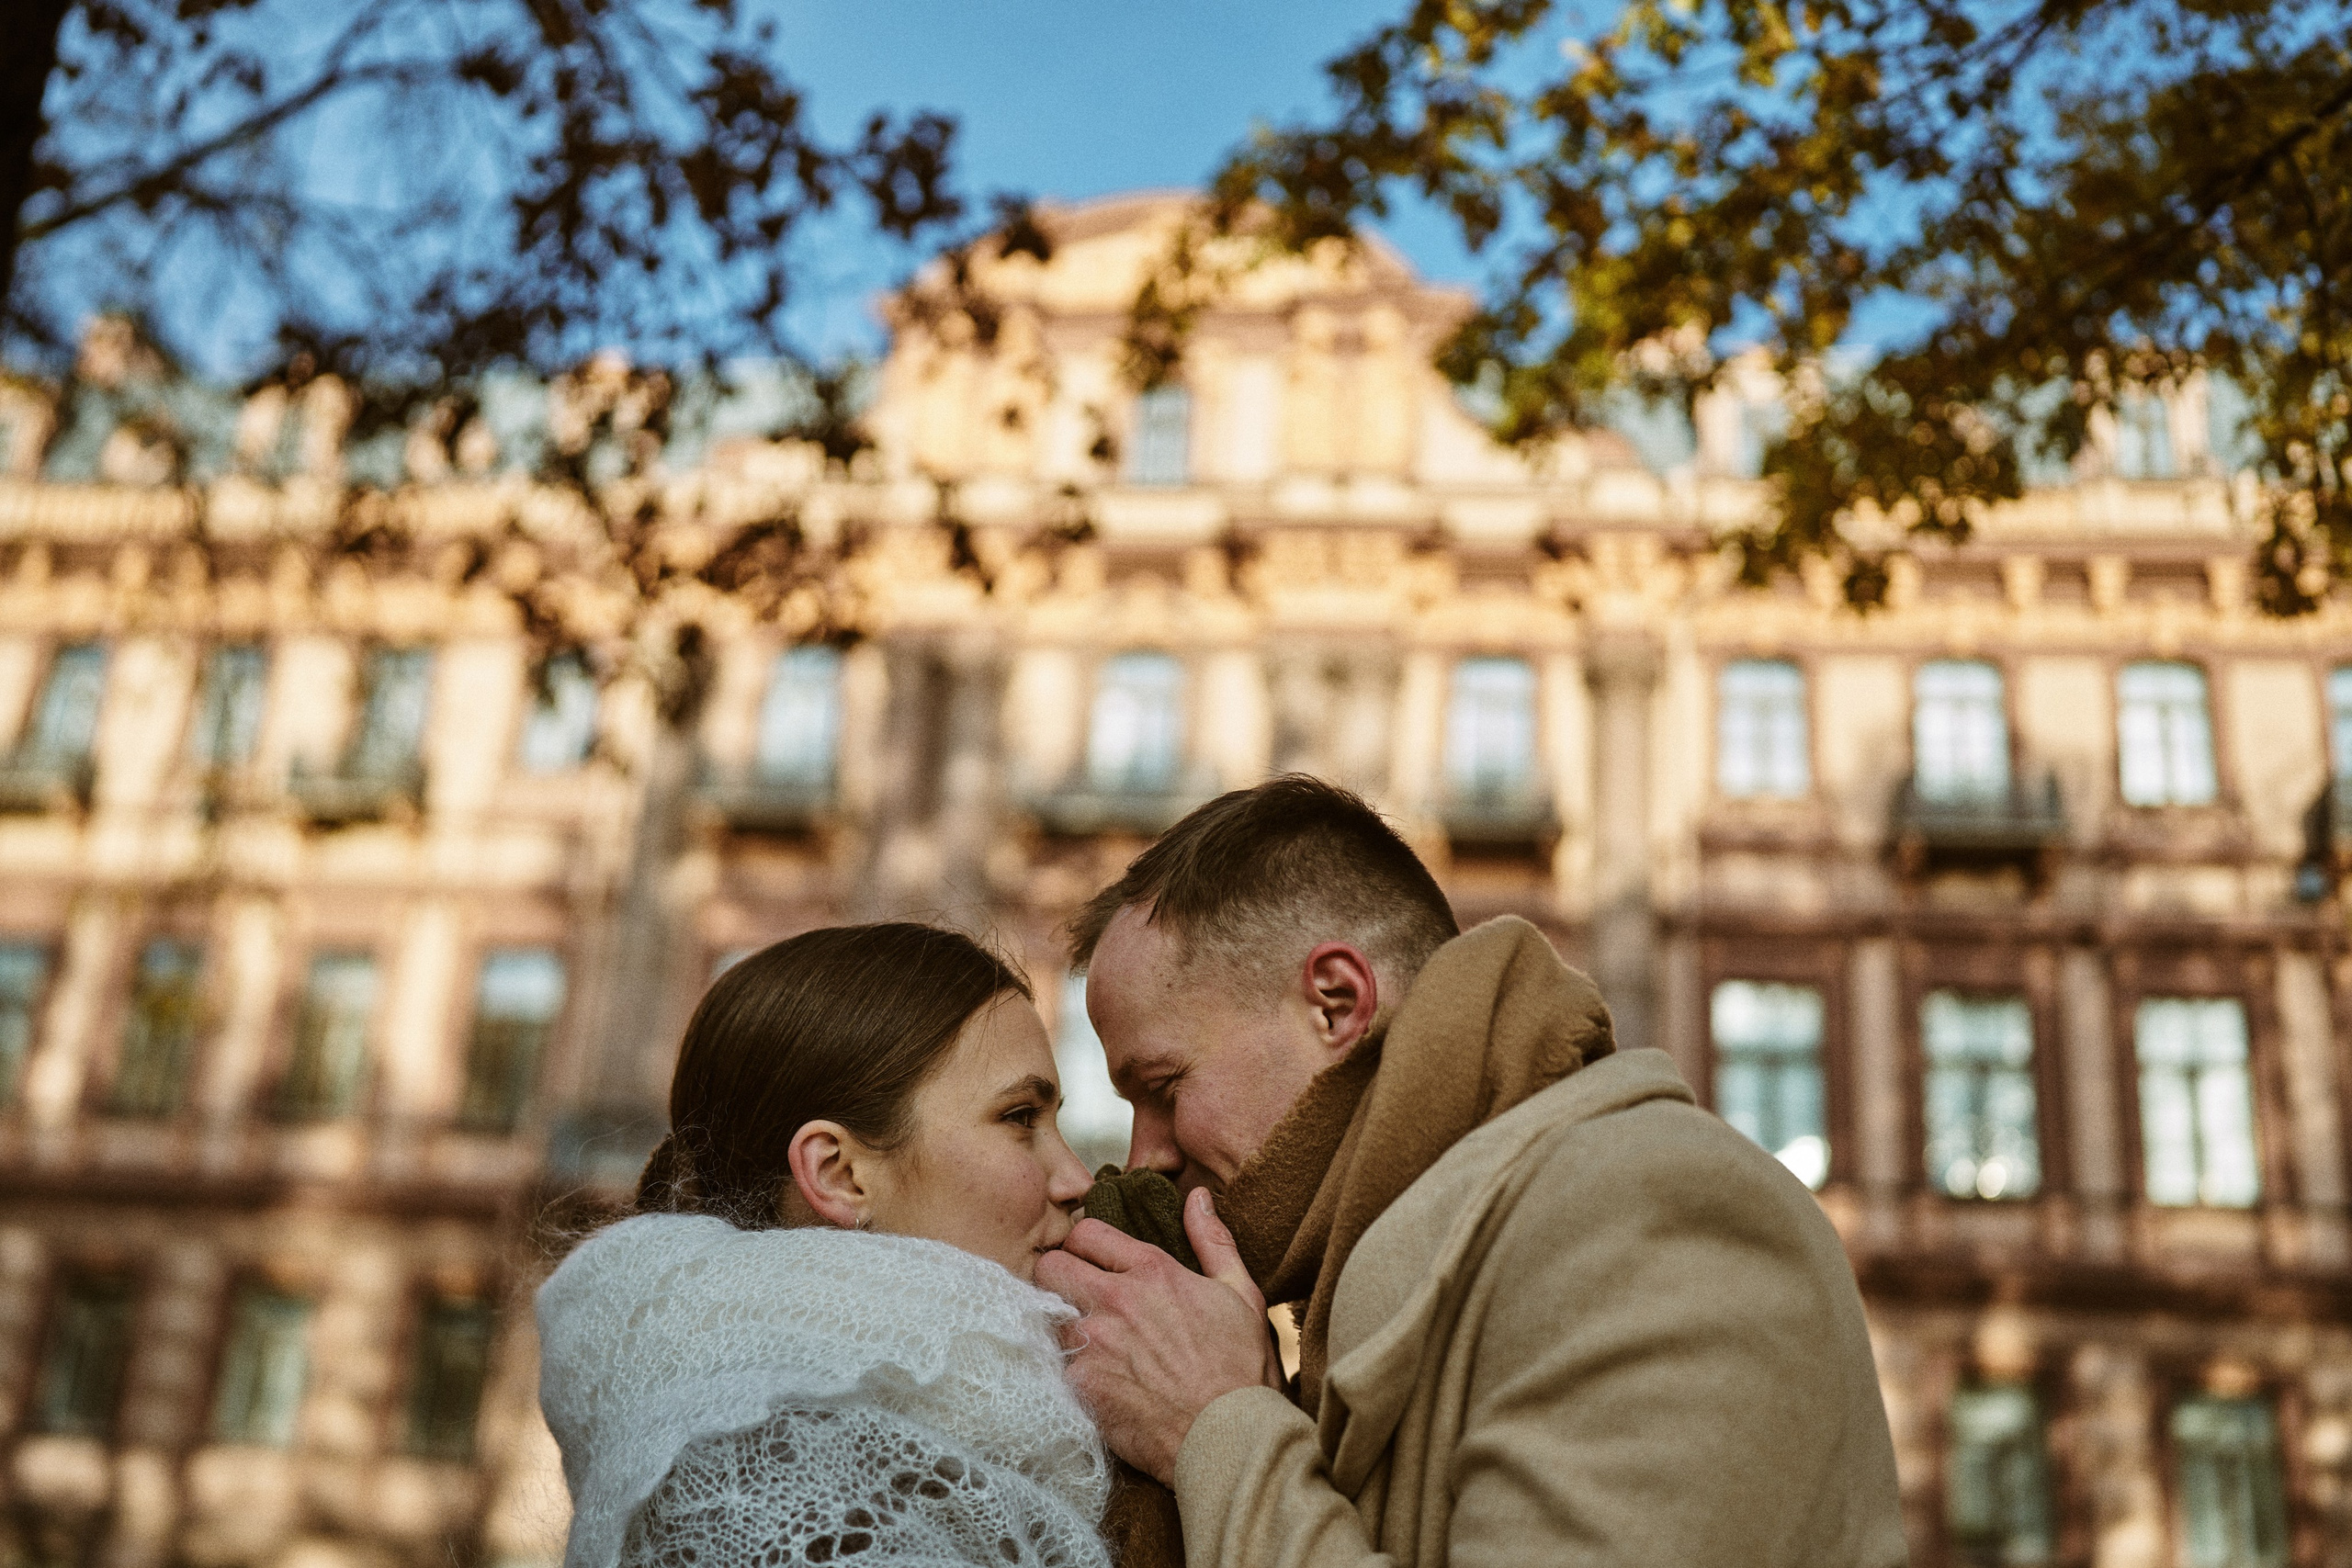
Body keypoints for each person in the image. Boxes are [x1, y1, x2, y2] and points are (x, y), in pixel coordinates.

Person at [1035, 775, 1909, 1567]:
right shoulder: (1405, 1267)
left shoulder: (1650, 1205)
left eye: (1163, 1085)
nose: (1144, 1152)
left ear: (1336, 1002)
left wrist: (1215, 1429)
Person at [536, 923, 1114, 1568]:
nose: (1077, 1180)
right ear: (839, 1174)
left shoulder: (905, 1440)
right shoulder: (772, 1489)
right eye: (1019, 1118)